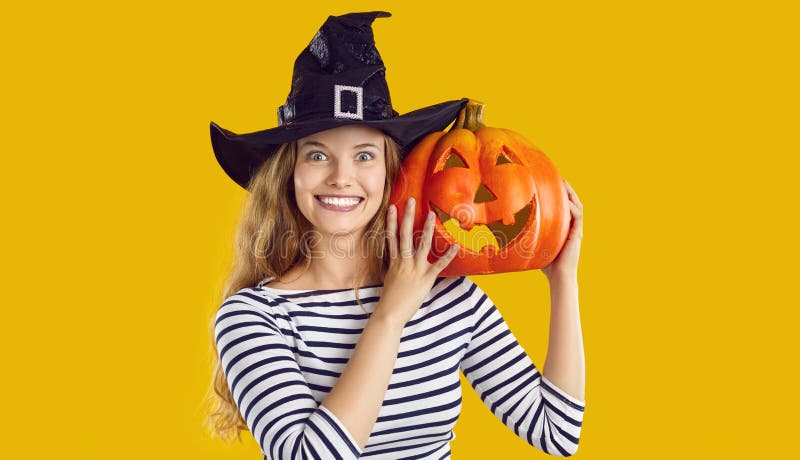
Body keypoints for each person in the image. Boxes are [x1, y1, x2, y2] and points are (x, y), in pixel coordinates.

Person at [206, 11, 586, 459]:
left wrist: (562, 280)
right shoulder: (254, 316)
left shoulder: (449, 295)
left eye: (364, 155)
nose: (342, 178)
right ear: (289, 174)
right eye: (317, 156)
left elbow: (556, 433)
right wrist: (390, 314)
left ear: (391, 172)